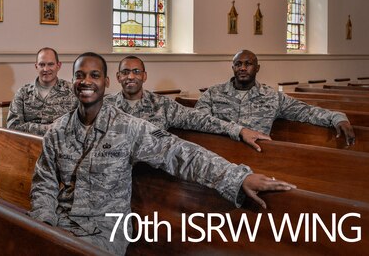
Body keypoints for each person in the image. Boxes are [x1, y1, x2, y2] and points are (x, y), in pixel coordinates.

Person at [29, 52, 294, 255]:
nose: (86, 81)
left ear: (106, 82)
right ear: (72, 80)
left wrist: (238, 178)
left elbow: (181, 153)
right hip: (62, 224)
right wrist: (44, 224)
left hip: (104, 230)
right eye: (80, 75)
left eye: (94, 75)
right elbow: (44, 182)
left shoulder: (129, 127)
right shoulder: (59, 130)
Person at [104, 55, 271, 151]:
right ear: (118, 77)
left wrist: (239, 130)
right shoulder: (104, 106)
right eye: (125, 72)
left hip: (151, 177)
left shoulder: (162, 105)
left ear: (144, 76)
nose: (131, 77)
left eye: (136, 72)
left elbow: (198, 119)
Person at [195, 49, 356, 145]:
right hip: (218, 155)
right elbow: (199, 121)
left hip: (255, 157)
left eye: (248, 64)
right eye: (238, 64)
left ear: (257, 68)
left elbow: (306, 111)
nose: (242, 68)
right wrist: (236, 131)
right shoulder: (213, 93)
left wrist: (337, 117)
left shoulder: (272, 97)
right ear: (232, 68)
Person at [6, 47, 78, 135]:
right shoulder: (23, 93)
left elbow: (78, 126)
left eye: (50, 64)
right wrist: (48, 128)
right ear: (36, 66)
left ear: (58, 66)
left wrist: (29, 127)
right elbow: (13, 127)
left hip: (61, 146)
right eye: (42, 64)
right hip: (28, 145)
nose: (46, 69)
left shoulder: (73, 91)